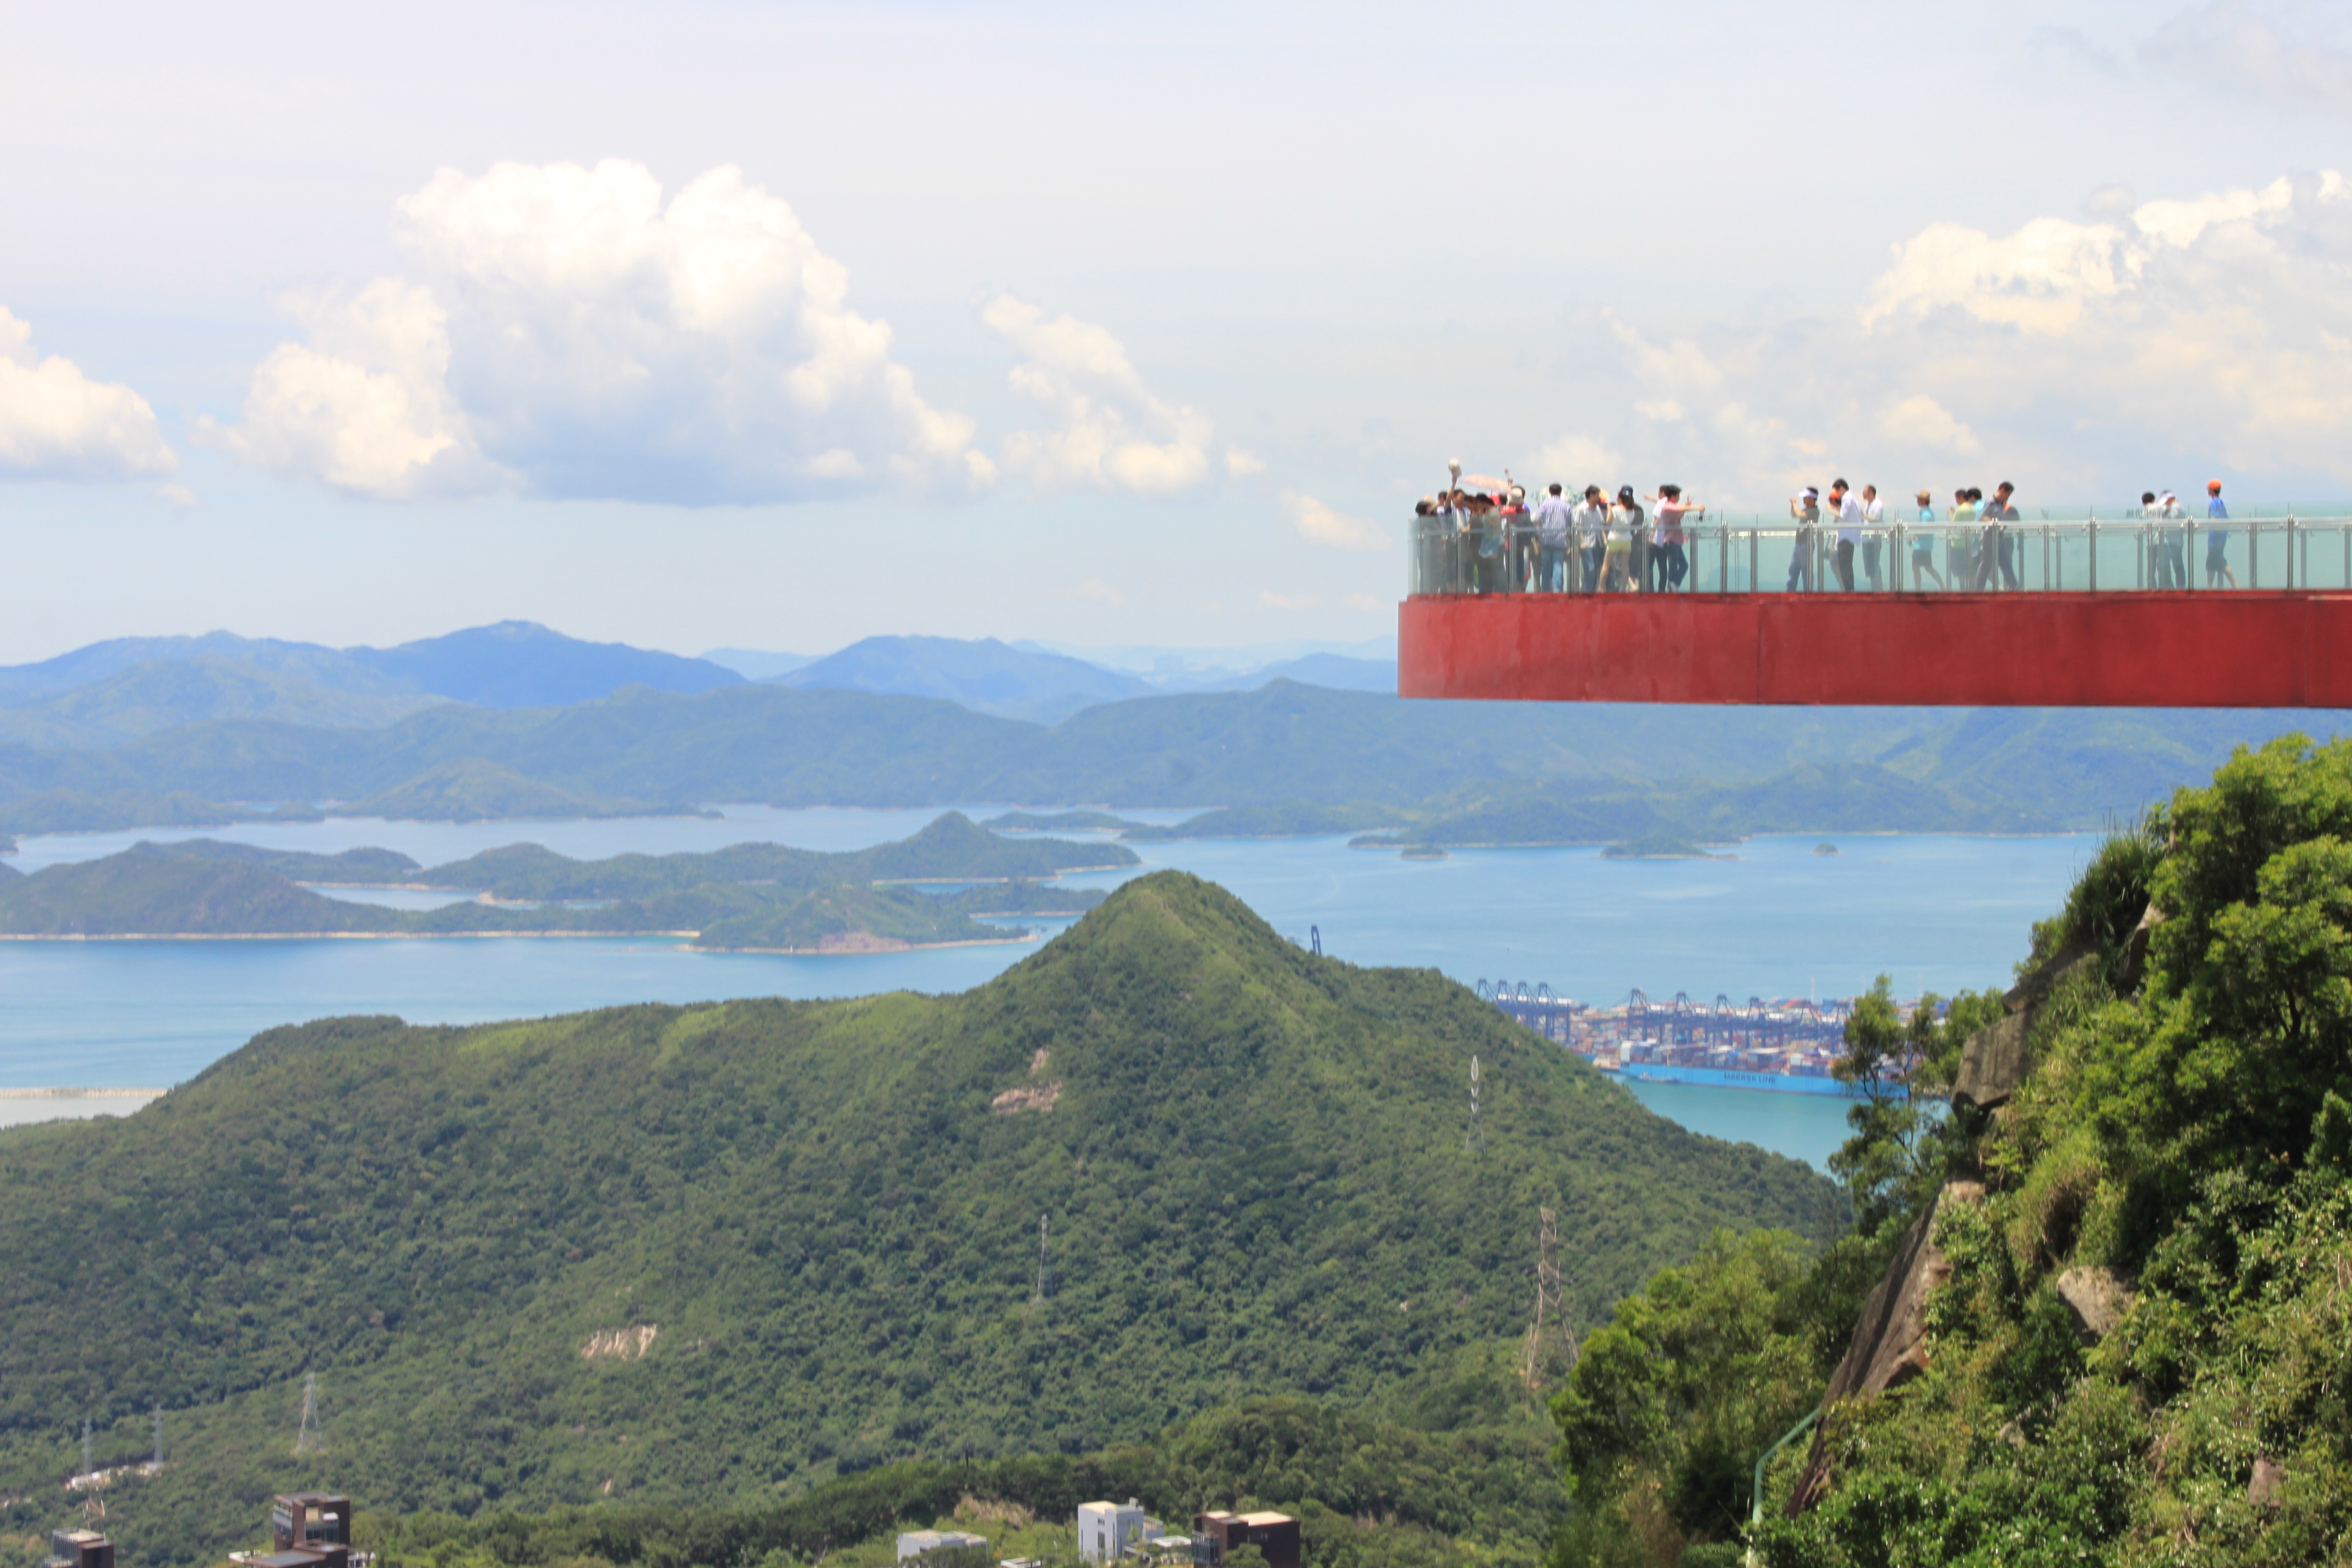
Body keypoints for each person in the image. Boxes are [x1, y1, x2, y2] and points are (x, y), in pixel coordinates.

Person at [1651, 484, 1700, 591]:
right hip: (1670, 540)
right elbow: (1677, 509)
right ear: (1673, 496)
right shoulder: (1668, 505)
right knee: (1673, 565)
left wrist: (1686, 506)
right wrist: (1698, 507)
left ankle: (1673, 584)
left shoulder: (1672, 507)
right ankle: (1672, 584)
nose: (1678, 498)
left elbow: (1678, 515)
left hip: (1675, 540)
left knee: (1683, 565)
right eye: (1677, 495)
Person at [1533, 483, 1575, 592]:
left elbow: (1537, 519)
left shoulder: (1544, 504)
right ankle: (1558, 590)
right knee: (1558, 566)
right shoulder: (1567, 506)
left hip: (1546, 539)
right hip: (1560, 539)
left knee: (1546, 567)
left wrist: (1543, 526)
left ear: (1550, 492)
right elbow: (1572, 522)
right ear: (1560, 492)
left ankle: (1545, 590)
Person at [1825, 479, 1863, 591]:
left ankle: (1849, 591)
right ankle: (1849, 590)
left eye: (1837, 490)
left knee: (1844, 566)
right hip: (1850, 536)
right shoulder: (1851, 498)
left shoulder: (1847, 497)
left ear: (1842, 488)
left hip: (1846, 537)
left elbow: (1843, 515)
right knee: (1845, 566)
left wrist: (1830, 510)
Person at [1573, 485, 1609, 591]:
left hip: (1597, 541)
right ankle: (1586, 591)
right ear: (1592, 495)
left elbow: (1600, 524)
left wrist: (1604, 539)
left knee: (1596, 567)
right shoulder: (1581, 508)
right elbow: (1578, 526)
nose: (1599, 497)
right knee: (1590, 568)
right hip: (1587, 542)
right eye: (1597, 495)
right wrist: (1582, 542)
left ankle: (1590, 590)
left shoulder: (1597, 508)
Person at [1606, 487, 1642, 591]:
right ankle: (1630, 587)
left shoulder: (1616, 509)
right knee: (1629, 566)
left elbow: (1609, 522)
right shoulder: (1637, 509)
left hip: (1618, 539)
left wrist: (1612, 509)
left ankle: (1628, 586)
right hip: (1633, 541)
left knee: (1618, 564)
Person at [1910, 490, 1946, 589]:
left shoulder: (1925, 514)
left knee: (1917, 568)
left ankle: (1918, 589)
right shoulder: (1927, 512)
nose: (1917, 501)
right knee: (1927, 568)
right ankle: (1942, 585)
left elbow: (1924, 531)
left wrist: (1913, 535)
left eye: (1918, 499)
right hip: (1925, 545)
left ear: (1922, 501)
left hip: (1921, 546)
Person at [1788, 487, 1821, 591]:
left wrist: (1794, 503)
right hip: (1799, 543)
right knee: (1793, 570)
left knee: (1806, 571)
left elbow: (1799, 514)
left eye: (1806, 497)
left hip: (1807, 544)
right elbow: (1794, 515)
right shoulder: (1806, 509)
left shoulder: (1814, 511)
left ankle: (1808, 592)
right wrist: (1792, 506)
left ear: (1811, 498)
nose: (1803, 499)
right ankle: (1790, 593)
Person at [2206, 480, 2237, 588]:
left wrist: (2207, 525)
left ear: (2211, 490)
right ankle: (2209, 587)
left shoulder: (2214, 503)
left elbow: (2214, 519)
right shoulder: (2221, 503)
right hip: (2221, 537)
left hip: (2215, 538)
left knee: (2217, 562)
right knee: (2213, 562)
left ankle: (2235, 585)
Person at [2157, 489, 2190, 590]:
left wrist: (2164, 516)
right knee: (2177, 565)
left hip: (2173, 540)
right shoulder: (2181, 506)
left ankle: (2173, 588)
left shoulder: (2174, 507)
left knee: (2171, 565)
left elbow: (2170, 520)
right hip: (2177, 539)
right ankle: (2179, 587)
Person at [1948, 488, 1978, 587]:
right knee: (1967, 567)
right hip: (1968, 542)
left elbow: (1954, 524)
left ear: (1961, 497)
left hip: (1957, 543)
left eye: (1957, 498)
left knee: (1959, 568)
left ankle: (1962, 588)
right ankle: (1971, 587)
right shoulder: (1972, 509)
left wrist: (1950, 513)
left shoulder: (1960, 509)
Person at [1860, 485, 1886, 591]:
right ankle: (1874, 589)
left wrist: (1864, 515)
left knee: (1874, 564)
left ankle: (1879, 589)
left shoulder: (1877, 505)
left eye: (1865, 491)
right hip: (1866, 539)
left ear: (1871, 492)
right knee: (1869, 566)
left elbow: (1875, 519)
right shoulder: (1868, 505)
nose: (1863, 493)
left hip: (1874, 539)